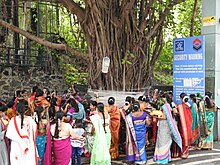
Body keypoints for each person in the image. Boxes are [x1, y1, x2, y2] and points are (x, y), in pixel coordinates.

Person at [6, 99, 39, 165]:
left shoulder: (13, 120)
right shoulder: (31, 120)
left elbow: (9, 133)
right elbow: (35, 131)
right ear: (26, 110)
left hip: (17, 145)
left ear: (17, 111)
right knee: (28, 161)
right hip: (28, 144)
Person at [153, 93, 182, 164]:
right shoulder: (167, 106)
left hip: (164, 125)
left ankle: (162, 159)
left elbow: (165, 117)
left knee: (163, 141)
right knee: (164, 141)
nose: (162, 99)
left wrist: (157, 116)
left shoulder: (166, 106)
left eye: (163, 98)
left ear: (165, 98)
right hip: (163, 125)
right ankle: (166, 157)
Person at [172, 93, 192, 159]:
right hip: (188, 123)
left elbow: (176, 114)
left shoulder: (180, 106)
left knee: (183, 137)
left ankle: (183, 153)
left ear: (181, 99)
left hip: (182, 124)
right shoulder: (189, 106)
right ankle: (186, 152)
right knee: (187, 137)